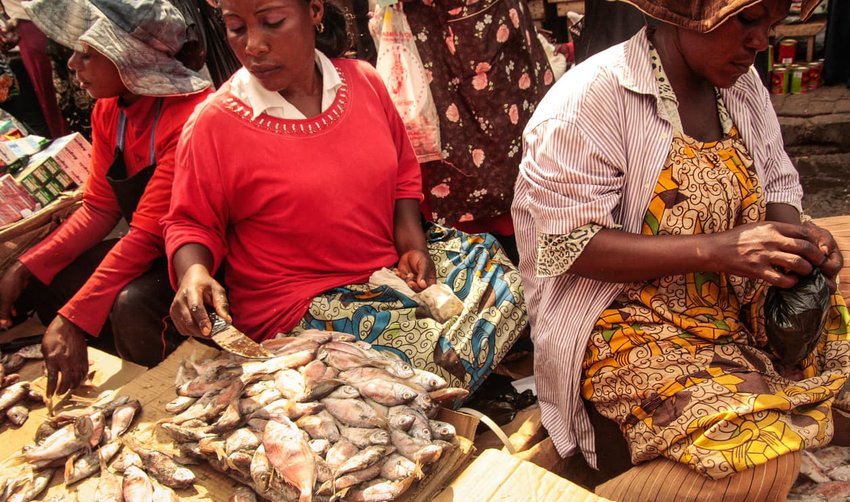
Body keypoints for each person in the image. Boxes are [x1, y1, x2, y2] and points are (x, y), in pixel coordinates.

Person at [512, 0, 849, 499]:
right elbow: (564, 246)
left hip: (733, 300)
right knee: (756, 463)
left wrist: (799, 241)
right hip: (626, 323)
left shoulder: (740, 85)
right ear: (682, 16)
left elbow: (777, 177)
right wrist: (716, 250)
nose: (760, 44)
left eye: (770, 26)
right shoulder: (589, 101)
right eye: (746, 22)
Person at [163, 0, 526, 393]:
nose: (253, 45)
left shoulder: (363, 81)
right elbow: (190, 221)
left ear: (315, 11)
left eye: (271, 23)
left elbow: (404, 173)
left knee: (509, 277)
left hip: (386, 271)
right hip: (301, 303)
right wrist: (193, 272)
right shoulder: (215, 123)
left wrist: (410, 242)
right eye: (236, 28)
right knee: (420, 363)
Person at [0, 0, 211, 396]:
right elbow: (99, 207)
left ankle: (167, 392)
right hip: (153, 248)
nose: (72, 65)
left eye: (87, 54)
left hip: (203, 258)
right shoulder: (109, 110)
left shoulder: (191, 117)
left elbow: (147, 234)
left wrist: (75, 319)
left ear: (129, 59)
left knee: (132, 304)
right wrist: (24, 268)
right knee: (53, 279)